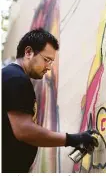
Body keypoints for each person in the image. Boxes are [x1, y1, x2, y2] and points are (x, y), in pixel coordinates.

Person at [2, 28, 97, 173]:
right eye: (46, 60)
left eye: (51, 62)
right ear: (28, 52)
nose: (49, 67)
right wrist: (73, 139)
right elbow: (24, 130)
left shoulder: (11, 76)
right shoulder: (16, 78)